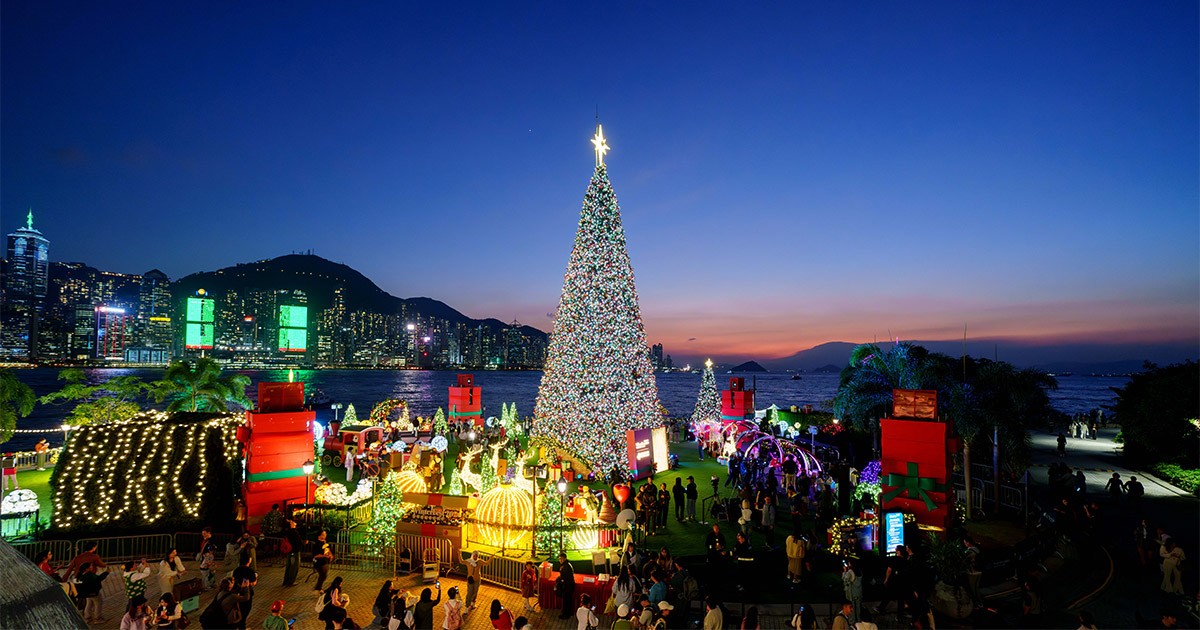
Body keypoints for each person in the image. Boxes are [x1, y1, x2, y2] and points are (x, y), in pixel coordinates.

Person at [874, 545, 909, 617]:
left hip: (893, 581)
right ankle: (900, 616)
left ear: (898, 551)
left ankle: (880, 608)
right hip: (902, 582)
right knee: (901, 599)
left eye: (896, 550)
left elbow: (889, 570)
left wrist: (886, 579)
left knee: (888, 595)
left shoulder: (894, 559)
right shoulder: (906, 560)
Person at [232, 551, 258, 629]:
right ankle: (241, 627)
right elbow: (253, 583)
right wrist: (256, 578)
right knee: (244, 613)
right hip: (247, 594)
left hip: (237, 594)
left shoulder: (236, 570)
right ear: (249, 560)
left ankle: (238, 625)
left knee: (238, 611)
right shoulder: (250, 571)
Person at [283, 519, 304, 587]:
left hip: (290, 552)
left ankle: (286, 581)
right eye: (292, 522)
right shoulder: (294, 532)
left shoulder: (287, 532)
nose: (294, 522)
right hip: (295, 552)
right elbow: (299, 542)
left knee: (289, 566)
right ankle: (291, 582)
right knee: (294, 567)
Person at [556, 552, 576, 619]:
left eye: (561, 559)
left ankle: (565, 614)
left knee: (566, 601)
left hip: (567, 586)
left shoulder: (565, 567)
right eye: (559, 559)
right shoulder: (567, 565)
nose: (560, 560)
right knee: (568, 600)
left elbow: (564, 577)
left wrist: (559, 580)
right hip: (569, 586)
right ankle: (569, 612)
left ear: (565, 558)